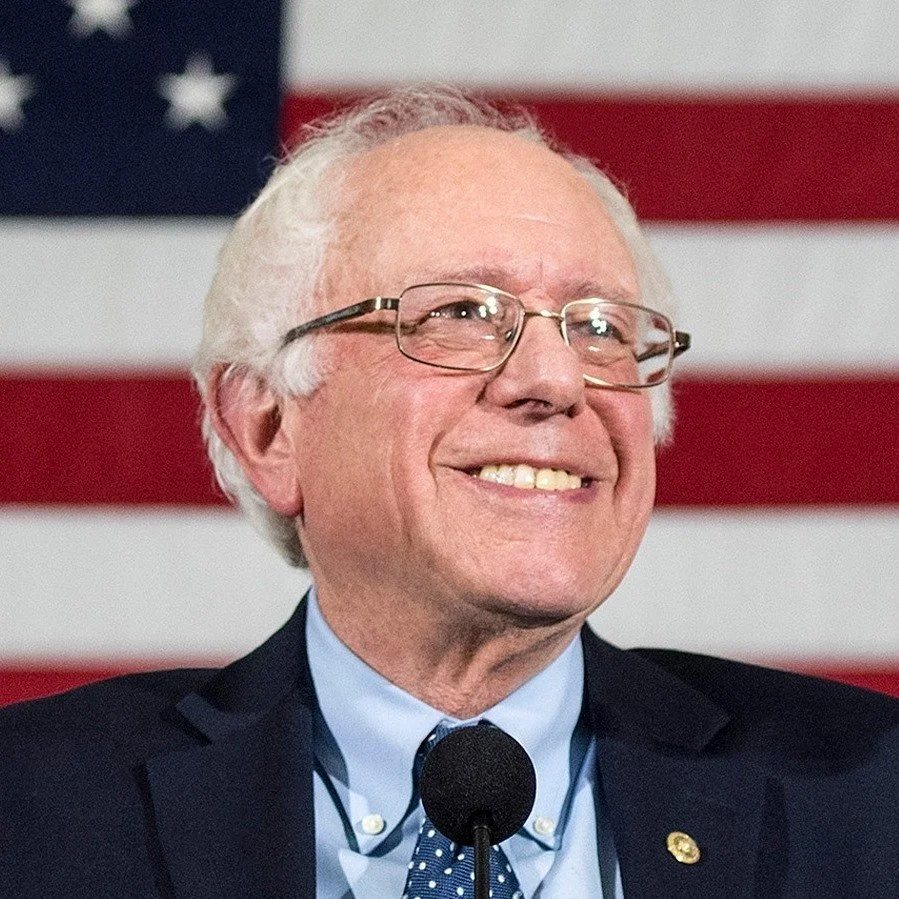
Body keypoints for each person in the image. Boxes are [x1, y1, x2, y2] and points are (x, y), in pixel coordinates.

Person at [1, 86, 896, 899]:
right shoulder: (31, 816)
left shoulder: (872, 798)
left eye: (599, 328)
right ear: (268, 423)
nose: (555, 379)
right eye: (460, 314)